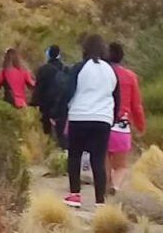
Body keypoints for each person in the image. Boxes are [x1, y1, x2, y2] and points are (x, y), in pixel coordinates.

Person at [62, 34, 120, 209]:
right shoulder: (111, 71)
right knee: (98, 158)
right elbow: (116, 97)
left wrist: (60, 111)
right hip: (102, 119)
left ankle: (75, 195)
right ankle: (100, 201)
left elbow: (68, 92)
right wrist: (113, 118)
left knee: (75, 155)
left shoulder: (79, 68)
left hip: (80, 116)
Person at [107, 42, 146, 195]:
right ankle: (115, 187)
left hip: (101, 123)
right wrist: (141, 126)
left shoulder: (101, 74)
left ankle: (104, 187)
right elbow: (136, 105)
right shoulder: (130, 76)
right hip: (121, 126)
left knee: (103, 163)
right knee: (121, 166)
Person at [32, 45, 69, 148]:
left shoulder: (43, 69)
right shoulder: (64, 68)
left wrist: (34, 103)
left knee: (46, 129)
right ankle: (61, 148)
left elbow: (38, 88)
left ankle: (48, 147)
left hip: (46, 104)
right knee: (60, 130)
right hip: (61, 104)